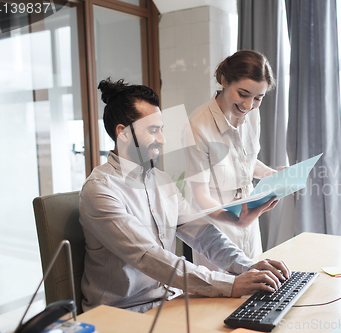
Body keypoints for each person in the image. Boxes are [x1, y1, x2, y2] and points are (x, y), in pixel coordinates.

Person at [79, 78, 290, 313]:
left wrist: (247, 266)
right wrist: (231, 284)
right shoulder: (101, 190)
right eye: (152, 130)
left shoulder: (161, 181)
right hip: (123, 313)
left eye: (161, 130)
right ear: (123, 133)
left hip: (168, 301)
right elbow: (149, 257)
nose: (162, 139)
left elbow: (202, 233)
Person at [185, 50, 283, 272]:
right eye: (243, 93)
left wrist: (274, 176)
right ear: (224, 81)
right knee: (222, 297)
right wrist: (236, 220)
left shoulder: (251, 115)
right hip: (216, 224)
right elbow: (200, 197)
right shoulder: (198, 126)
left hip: (248, 219)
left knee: (257, 283)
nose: (249, 105)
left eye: (258, 98)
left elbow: (247, 164)